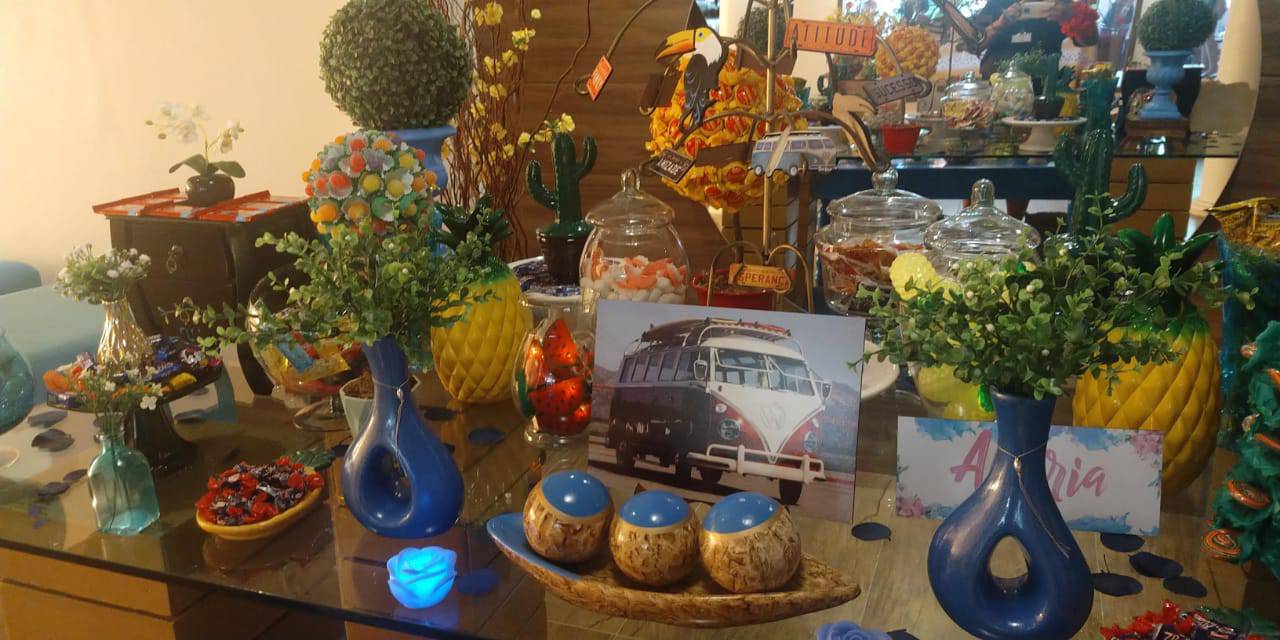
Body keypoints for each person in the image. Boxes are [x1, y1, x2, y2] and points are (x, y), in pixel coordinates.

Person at [972, 0, 1098, 77]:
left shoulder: (1059, 4)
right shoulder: (997, 3)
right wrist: (999, 24)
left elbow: (1089, 40)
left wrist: (1072, 17)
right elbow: (973, 45)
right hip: (996, 84)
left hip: (1043, 88)